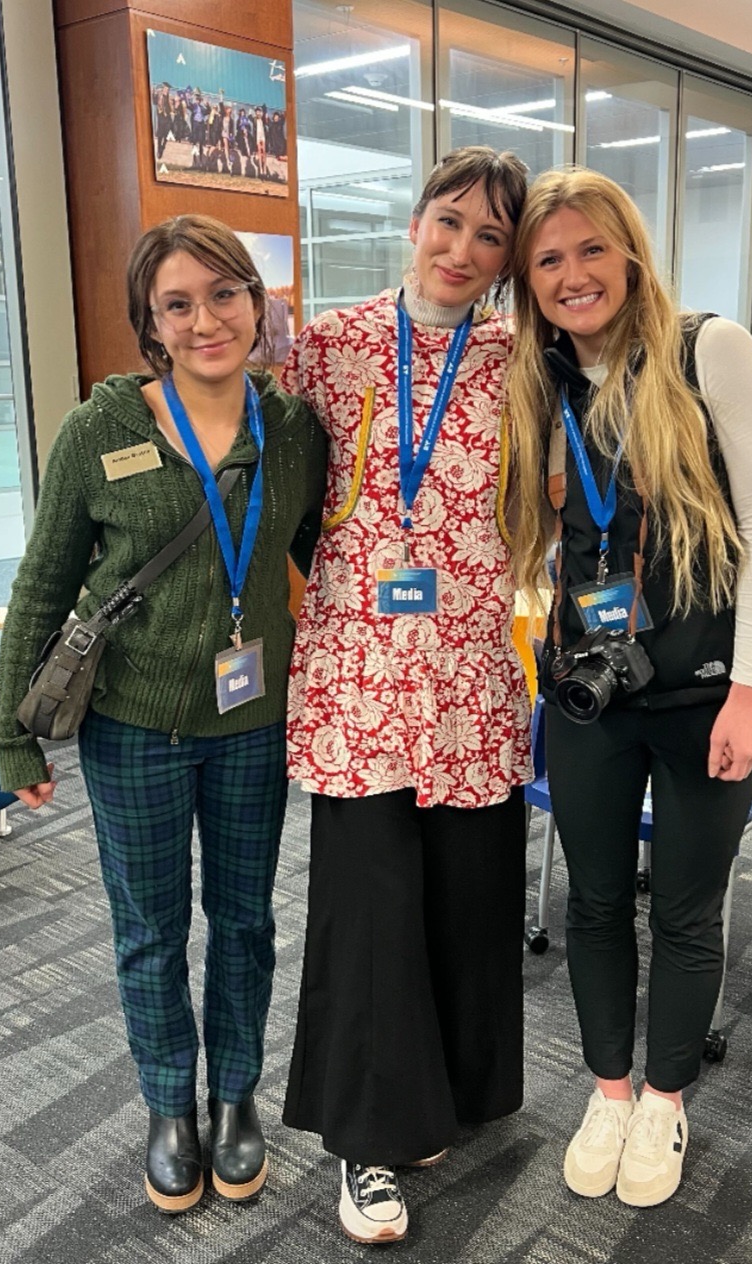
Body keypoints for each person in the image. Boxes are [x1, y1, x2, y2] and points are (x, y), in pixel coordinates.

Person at [0, 215, 327, 1214]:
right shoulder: (103, 432)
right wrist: (13, 734)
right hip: (130, 723)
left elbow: (328, 549)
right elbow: (41, 590)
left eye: (224, 294)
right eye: (177, 303)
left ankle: (235, 1098)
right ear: (150, 319)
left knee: (245, 922)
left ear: (254, 302)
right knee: (148, 931)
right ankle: (167, 1108)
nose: (206, 319)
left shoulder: (292, 428)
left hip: (250, 723)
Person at [506, 168, 752, 1208]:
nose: (573, 275)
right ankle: (608, 1089)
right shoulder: (540, 379)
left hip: (705, 689)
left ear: (630, 251)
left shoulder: (704, 349)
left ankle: (666, 1099)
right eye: (548, 259)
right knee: (588, 901)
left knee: (682, 906)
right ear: (527, 280)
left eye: (592, 249)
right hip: (590, 691)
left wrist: (746, 694)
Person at [279, 145, 530, 1245]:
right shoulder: (329, 348)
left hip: (470, 679)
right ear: (413, 216)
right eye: (448, 221)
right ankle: (365, 1142)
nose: (462, 251)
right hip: (360, 681)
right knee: (369, 910)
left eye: (489, 236)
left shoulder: (522, 362)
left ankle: (453, 1094)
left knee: (466, 903)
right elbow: (273, 491)